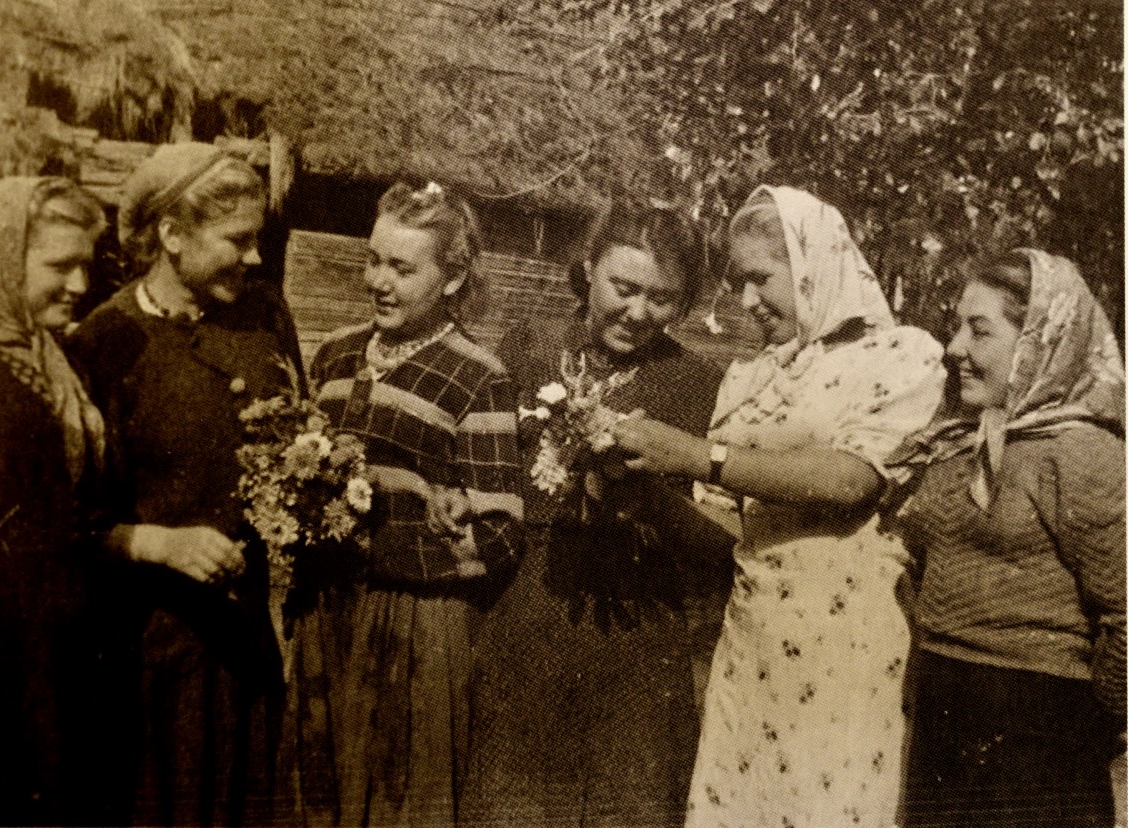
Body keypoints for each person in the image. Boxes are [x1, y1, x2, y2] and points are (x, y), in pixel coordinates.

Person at [611, 185, 946, 827]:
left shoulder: (905, 357)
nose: (747, 301)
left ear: (812, 263)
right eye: (737, 282)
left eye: (761, 278)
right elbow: (729, 528)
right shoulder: (750, 376)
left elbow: (853, 480)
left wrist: (698, 456)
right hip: (752, 646)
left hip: (845, 651)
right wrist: (647, 492)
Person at [463, 202, 726, 828]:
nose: (638, 312)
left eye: (662, 298)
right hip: (531, 604)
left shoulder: (699, 382)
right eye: (624, 287)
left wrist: (647, 497)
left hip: (637, 626)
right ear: (589, 269)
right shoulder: (529, 350)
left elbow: (714, 537)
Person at [67, 142, 301, 826]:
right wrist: (159, 545)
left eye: (257, 240)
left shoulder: (265, 316)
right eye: (237, 240)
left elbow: (295, 435)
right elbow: (72, 525)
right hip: (149, 660)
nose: (255, 258)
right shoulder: (106, 342)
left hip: (246, 649)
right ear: (171, 234)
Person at [279, 180, 523, 827]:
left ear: (451, 278)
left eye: (402, 267)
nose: (379, 281)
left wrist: (410, 531)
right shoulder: (333, 354)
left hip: (414, 630)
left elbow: (499, 538)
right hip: (325, 616)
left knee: (396, 801)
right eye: (373, 260)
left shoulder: (478, 375)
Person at [888, 249, 1125, 827]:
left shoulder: (1082, 455)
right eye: (956, 327)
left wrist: (1092, 722)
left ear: (1039, 342)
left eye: (979, 330)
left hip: (1036, 737)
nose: (954, 349)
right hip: (945, 714)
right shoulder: (957, 444)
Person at [0, 177, 108, 825]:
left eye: (86, 265)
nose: (79, 286)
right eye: (59, 266)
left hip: (39, 649)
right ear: (5, 260)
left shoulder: (49, 361)